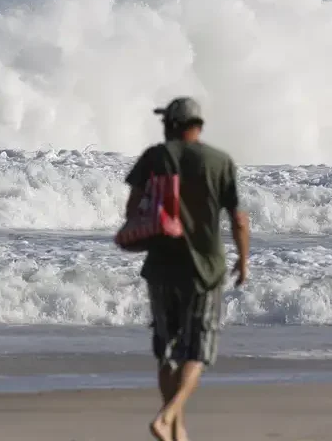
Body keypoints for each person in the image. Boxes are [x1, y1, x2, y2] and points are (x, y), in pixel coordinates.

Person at [123, 96, 250, 441]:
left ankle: (177, 427)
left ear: (173, 125)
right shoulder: (219, 161)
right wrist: (244, 259)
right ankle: (169, 418)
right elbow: (238, 219)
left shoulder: (155, 157)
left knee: (167, 350)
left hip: (162, 267)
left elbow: (133, 209)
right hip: (205, 271)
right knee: (198, 351)